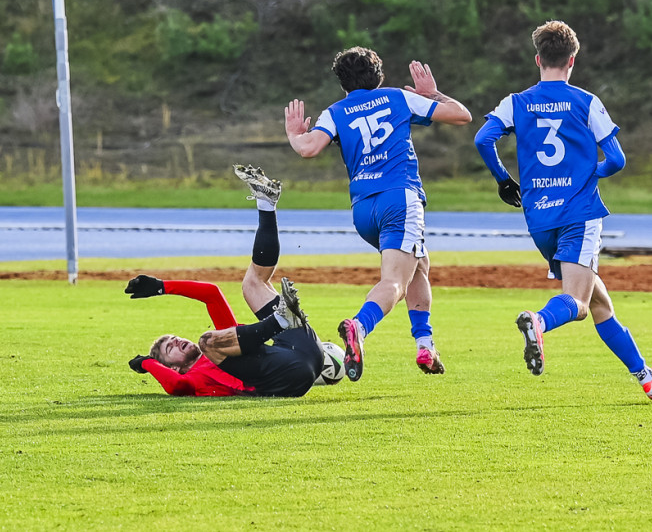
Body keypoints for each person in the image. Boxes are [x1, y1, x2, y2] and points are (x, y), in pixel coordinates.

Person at [474, 19, 652, 400]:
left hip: (539, 218)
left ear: (538, 59)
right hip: (579, 214)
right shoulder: (586, 101)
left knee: (600, 304)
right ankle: (539, 321)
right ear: (572, 61)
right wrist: (588, 172)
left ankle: (647, 377)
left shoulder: (515, 102)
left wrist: (504, 180)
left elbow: (484, 138)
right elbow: (616, 160)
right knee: (579, 304)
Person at [285, 48, 472, 381]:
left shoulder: (335, 111)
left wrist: (294, 134)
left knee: (419, 265)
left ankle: (425, 345)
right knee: (395, 282)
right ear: (379, 75)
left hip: (363, 210)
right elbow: (461, 116)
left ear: (342, 83)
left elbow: (308, 149)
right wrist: (433, 94)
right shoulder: (398, 98)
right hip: (400, 198)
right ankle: (359, 326)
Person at [126, 165, 325, 397]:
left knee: (252, 284)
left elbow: (211, 293)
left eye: (175, 338)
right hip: (285, 378)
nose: (177, 340)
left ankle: (266, 203)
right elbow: (176, 387)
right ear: (173, 367)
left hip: (306, 352)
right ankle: (280, 320)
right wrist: (147, 364)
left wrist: (161, 287)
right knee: (207, 341)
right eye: (170, 347)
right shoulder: (192, 377)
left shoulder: (226, 343)